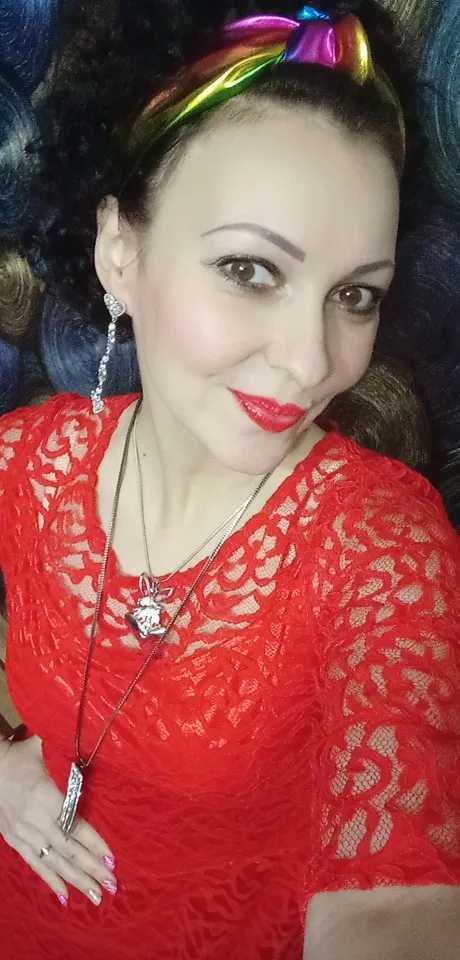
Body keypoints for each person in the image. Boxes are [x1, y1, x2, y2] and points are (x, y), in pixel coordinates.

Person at [0, 1, 459, 958]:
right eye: (251, 269)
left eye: (354, 295)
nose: (312, 361)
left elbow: (393, 904)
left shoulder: (384, 545)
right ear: (121, 253)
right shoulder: (27, 463)